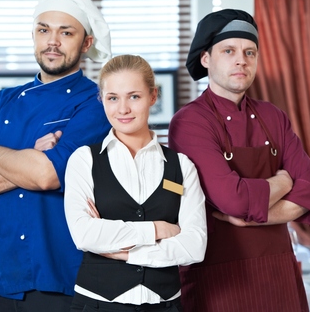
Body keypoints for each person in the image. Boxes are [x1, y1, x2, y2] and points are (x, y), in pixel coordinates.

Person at [0, 0, 112, 312]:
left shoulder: (95, 103)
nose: (53, 41)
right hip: (2, 269)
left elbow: (47, 175)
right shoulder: (3, 101)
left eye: (66, 32)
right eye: (43, 30)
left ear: (86, 43)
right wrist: (27, 156)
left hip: (60, 269)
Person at [168, 9, 310, 311]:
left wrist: (250, 217)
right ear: (205, 59)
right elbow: (234, 201)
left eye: (249, 52)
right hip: (219, 278)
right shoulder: (189, 122)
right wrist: (282, 180)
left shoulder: (273, 116)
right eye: (229, 51)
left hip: (279, 271)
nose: (241, 59)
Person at [64, 54, 207, 312]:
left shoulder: (182, 166)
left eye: (134, 96)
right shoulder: (84, 160)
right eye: (112, 98)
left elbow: (195, 246)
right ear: (102, 100)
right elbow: (84, 234)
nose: (123, 109)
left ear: (153, 97)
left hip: (164, 305)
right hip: (98, 305)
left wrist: (127, 252)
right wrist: (157, 229)